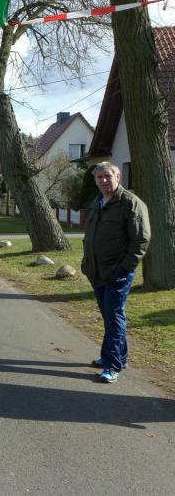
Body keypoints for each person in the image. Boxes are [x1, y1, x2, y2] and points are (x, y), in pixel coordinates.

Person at [81, 161, 150, 384]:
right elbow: (90, 235)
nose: (103, 180)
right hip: (97, 271)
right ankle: (119, 356)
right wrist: (86, 262)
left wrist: (125, 269)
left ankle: (111, 366)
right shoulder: (97, 203)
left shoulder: (131, 203)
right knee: (110, 317)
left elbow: (141, 240)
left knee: (113, 316)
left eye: (107, 176)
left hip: (117, 273)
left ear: (118, 177)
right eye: (99, 177)